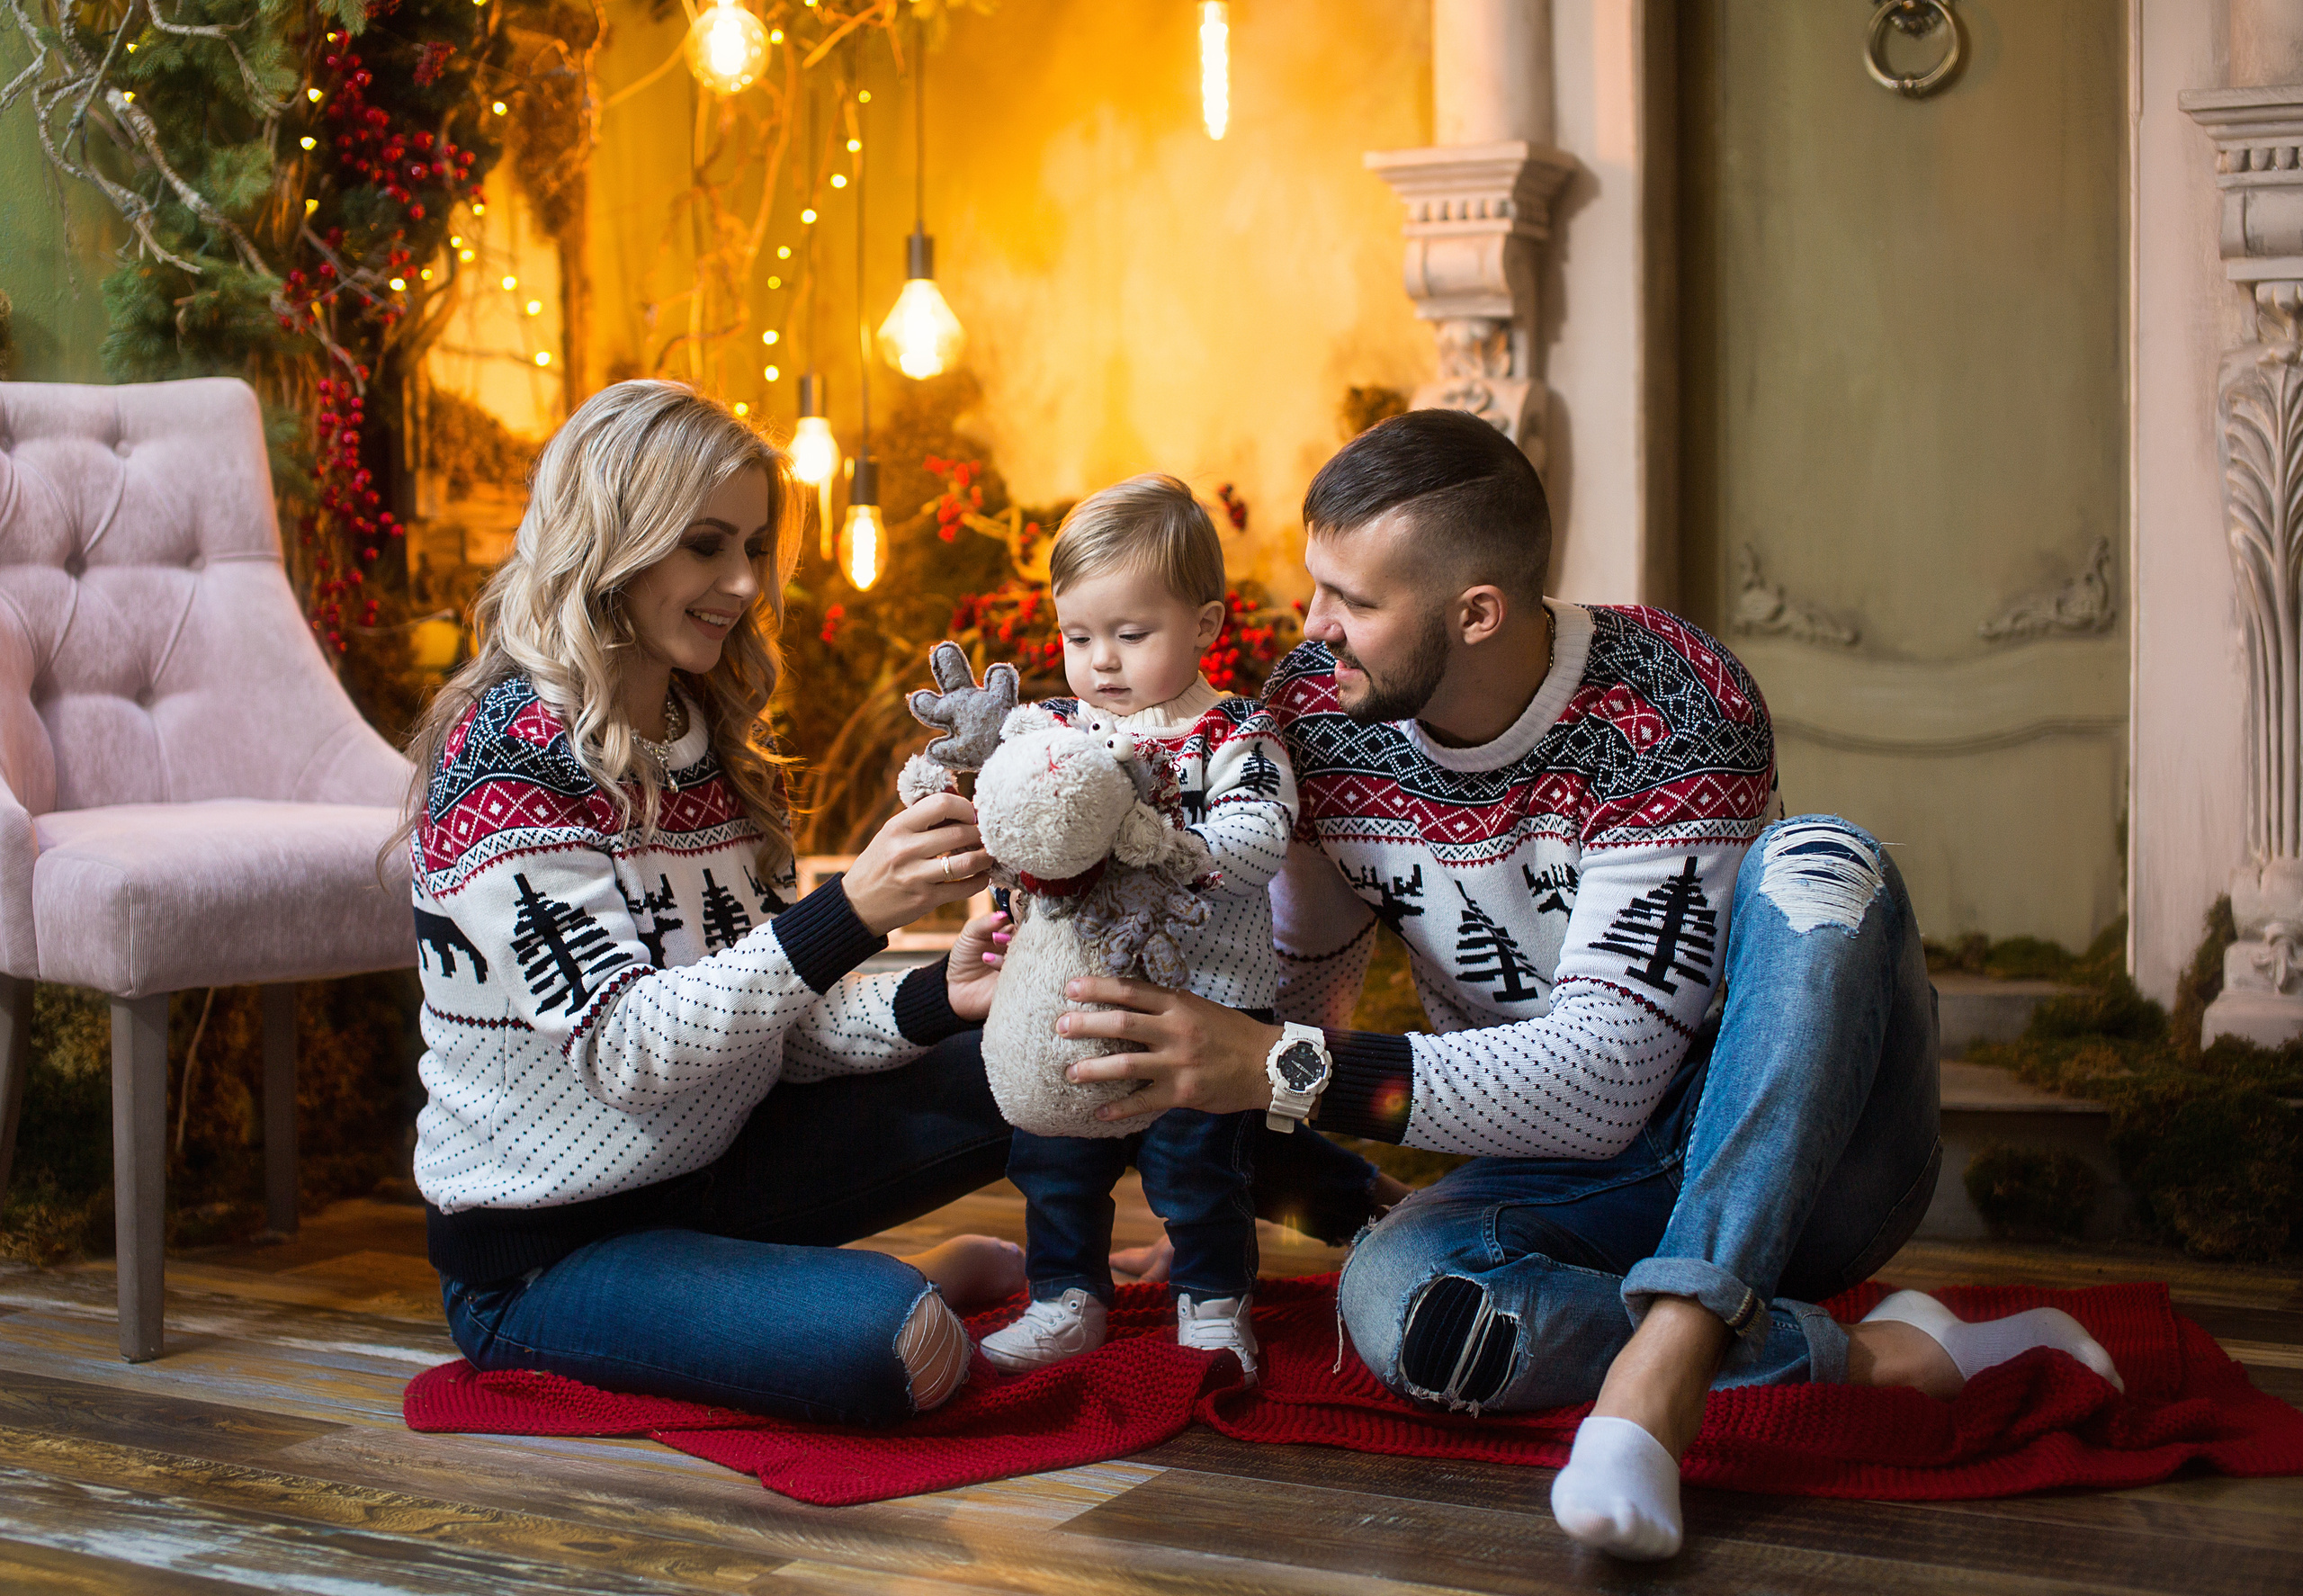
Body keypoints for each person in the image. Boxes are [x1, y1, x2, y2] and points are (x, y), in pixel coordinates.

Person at [1053, 408, 2122, 1560]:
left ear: (1476, 612)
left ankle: (1662, 1376)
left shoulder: (1671, 695)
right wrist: (1228, 1187)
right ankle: (1866, 1355)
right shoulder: (1320, 712)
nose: (1313, 628)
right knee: (1397, 1300)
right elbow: (1309, 979)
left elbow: (1604, 1085)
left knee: (1823, 861)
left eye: (1351, 600)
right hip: (1573, 1188)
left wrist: (1281, 1068)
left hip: (1805, 1158)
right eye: (1316, 585)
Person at [400, 379, 1026, 1426]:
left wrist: (938, 998)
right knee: (904, 1348)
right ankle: (888, 1287)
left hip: (723, 1171)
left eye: (755, 546)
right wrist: (853, 908)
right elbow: (627, 1051)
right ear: (613, 539)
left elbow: (776, 1027)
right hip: (547, 1256)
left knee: (1045, 1049)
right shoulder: (506, 758)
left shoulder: (707, 733)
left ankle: (1253, 1234)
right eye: (704, 545)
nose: (742, 582)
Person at [981, 476, 1295, 1379]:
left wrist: (1147, 840)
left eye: (1130, 634)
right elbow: (1016, 828)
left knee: (1199, 1169)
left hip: (1206, 1005)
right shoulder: (1050, 732)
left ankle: (1213, 1301)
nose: (1102, 662)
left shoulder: (1232, 735)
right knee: (1055, 1161)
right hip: (1073, 997)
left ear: (1203, 625)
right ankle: (1064, 1295)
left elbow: (1257, 844)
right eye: (1079, 637)